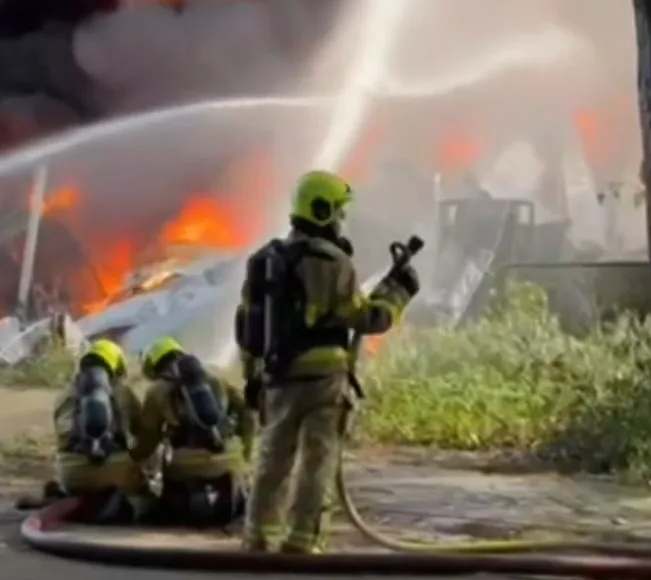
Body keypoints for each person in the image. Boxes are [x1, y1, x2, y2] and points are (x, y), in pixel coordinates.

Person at [235, 170, 419, 554]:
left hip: (277, 378)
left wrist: (252, 378)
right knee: (317, 461)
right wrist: (398, 293)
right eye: (337, 211)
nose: (341, 220)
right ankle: (303, 540)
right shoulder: (333, 262)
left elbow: (246, 328)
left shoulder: (264, 261)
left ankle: (258, 536)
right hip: (323, 380)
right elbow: (364, 318)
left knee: (272, 458)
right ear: (321, 211)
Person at [134, 337, 254, 528]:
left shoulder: (156, 391)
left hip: (183, 465)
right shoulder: (218, 377)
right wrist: (245, 453)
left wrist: (134, 459)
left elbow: (148, 441)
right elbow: (247, 415)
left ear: (154, 365)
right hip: (228, 461)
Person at [50, 339, 154, 524]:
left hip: (71, 474)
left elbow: (61, 438)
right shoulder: (124, 392)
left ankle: (75, 502)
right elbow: (143, 431)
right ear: (117, 366)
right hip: (116, 471)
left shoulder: (64, 395)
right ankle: (129, 505)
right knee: (148, 499)